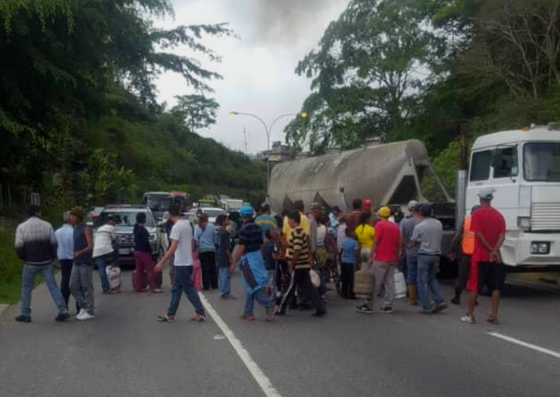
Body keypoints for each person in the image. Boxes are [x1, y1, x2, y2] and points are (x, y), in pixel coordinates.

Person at [14, 205, 69, 323]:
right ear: (37, 212)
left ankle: (25, 314)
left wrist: (24, 257)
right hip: (46, 262)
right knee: (53, 287)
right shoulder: (47, 225)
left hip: (30, 262)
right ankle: (63, 311)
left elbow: (18, 246)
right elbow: (54, 244)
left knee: (26, 288)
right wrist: (52, 257)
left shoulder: (22, 227)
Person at [462, 188, 506, 325]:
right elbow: (502, 236)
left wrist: (489, 250)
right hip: (496, 258)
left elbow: (479, 235)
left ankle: (470, 315)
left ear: (480, 199)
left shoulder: (477, 214)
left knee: (474, 287)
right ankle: (494, 315)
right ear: (491, 199)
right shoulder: (499, 215)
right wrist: (495, 251)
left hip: (480, 256)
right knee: (495, 287)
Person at [155, 207, 205, 322]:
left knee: (188, 288)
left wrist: (161, 262)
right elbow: (192, 242)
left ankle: (200, 311)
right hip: (186, 261)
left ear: (169, 215)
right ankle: (170, 313)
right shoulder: (187, 224)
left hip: (181, 263)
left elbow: (173, 246)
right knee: (176, 289)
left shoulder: (176, 227)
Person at [278, 211, 327, 317]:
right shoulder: (301, 232)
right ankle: (320, 308)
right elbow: (294, 246)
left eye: (289, 220)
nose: (288, 222)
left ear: (293, 220)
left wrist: (292, 264)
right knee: (310, 288)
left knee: (290, 287)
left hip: (298, 265)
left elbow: (297, 251)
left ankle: (281, 308)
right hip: (303, 264)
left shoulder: (296, 233)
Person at [232, 206, 276, 321]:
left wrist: (234, 262)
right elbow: (261, 244)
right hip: (257, 257)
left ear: (242, 216)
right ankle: (248, 312)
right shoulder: (257, 228)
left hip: (249, 259)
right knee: (249, 286)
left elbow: (241, 247)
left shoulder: (243, 229)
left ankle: (270, 305)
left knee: (253, 286)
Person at [356, 207, 401, 314]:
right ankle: (387, 306)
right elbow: (399, 243)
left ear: (380, 215)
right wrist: (397, 256)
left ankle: (369, 305)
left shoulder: (379, 225)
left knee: (375, 282)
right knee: (389, 282)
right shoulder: (395, 226)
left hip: (381, 258)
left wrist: (371, 256)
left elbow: (376, 241)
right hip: (392, 258)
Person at [410, 204, 447, 315]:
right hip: (436, 255)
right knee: (432, 278)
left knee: (422, 281)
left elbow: (413, 242)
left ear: (420, 213)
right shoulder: (438, 223)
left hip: (424, 254)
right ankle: (440, 301)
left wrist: (419, 242)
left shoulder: (420, 226)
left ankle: (426, 306)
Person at [450, 205, 480, 305]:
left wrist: (452, 250)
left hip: (465, 254)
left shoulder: (466, 221)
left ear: (471, 212)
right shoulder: (482, 223)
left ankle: (457, 297)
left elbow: (457, 237)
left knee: (461, 276)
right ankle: (474, 299)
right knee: (475, 277)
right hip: (477, 255)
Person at [69, 206, 95, 321]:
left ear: (78, 217)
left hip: (85, 261)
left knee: (86, 286)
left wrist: (80, 252)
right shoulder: (75, 228)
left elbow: (90, 246)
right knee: (73, 285)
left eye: (72, 216)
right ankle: (84, 305)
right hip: (76, 261)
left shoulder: (86, 228)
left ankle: (90, 311)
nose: (71, 218)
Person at [133, 212, 161, 293]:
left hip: (137, 251)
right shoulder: (143, 230)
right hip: (144, 252)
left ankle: (138, 287)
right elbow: (146, 243)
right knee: (149, 270)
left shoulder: (135, 228)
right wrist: (151, 252)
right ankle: (153, 287)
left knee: (139, 270)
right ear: (144, 219)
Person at [400, 200, 421, 305]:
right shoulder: (423, 221)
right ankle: (422, 295)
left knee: (410, 273)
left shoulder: (405, 221)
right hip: (422, 251)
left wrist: (403, 247)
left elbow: (402, 237)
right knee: (421, 274)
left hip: (409, 251)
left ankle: (412, 298)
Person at [92, 215, 117, 294]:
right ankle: (114, 263)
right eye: (114, 221)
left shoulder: (99, 228)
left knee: (101, 269)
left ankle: (105, 288)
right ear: (110, 221)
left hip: (97, 250)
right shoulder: (111, 228)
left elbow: (94, 239)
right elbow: (114, 238)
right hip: (106, 250)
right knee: (116, 246)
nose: (114, 223)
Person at [55, 211, 74, 309]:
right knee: (75, 282)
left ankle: (64, 304)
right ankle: (79, 306)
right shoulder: (73, 231)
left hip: (62, 258)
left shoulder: (57, 232)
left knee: (65, 280)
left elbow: (55, 246)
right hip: (73, 259)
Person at [195, 213, 218, 290]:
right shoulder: (211, 226)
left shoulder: (197, 227)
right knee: (213, 267)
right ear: (207, 219)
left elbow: (196, 239)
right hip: (211, 249)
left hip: (202, 249)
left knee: (205, 268)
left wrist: (197, 248)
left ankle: (206, 285)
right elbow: (215, 237)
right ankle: (214, 284)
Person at [216, 214, 233, 299]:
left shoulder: (219, 231)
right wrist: (230, 257)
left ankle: (224, 291)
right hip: (224, 255)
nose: (228, 221)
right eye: (227, 219)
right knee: (225, 274)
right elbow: (227, 247)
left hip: (220, 254)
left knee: (222, 273)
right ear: (223, 222)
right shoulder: (225, 233)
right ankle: (225, 291)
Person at [339, 227, 360, 299]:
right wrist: (358, 261)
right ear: (351, 233)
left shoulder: (343, 241)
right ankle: (352, 294)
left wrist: (340, 259)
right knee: (351, 279)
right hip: (351, 262)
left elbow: (341, 251)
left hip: (344, 261)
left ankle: (344, 293)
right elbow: (356, 253)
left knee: (344, 278)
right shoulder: (354, 242)